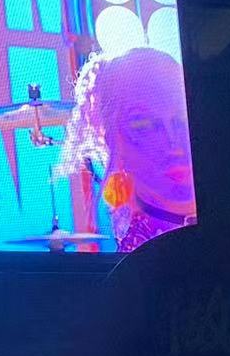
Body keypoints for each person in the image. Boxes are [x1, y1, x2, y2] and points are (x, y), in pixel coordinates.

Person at [66, 44, 196, 252]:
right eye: (144, 124)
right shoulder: (141, 256)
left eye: (182, 116)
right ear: (114, 141)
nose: (173, 144)